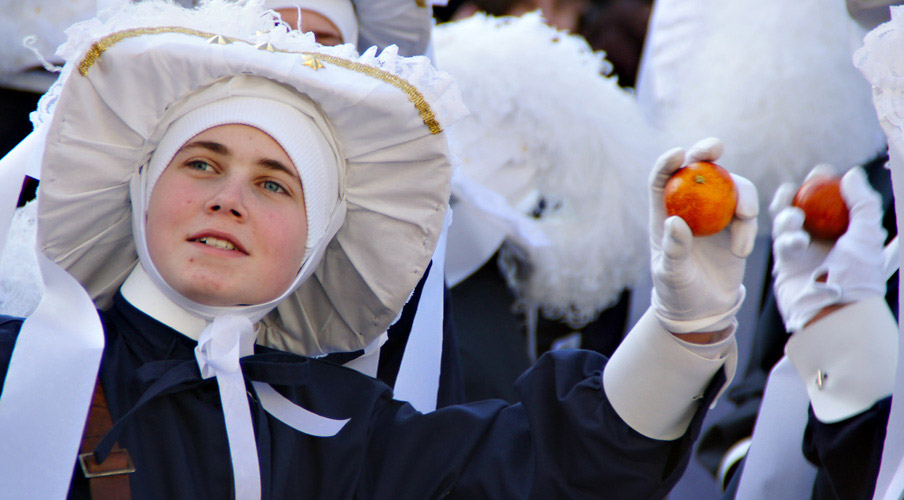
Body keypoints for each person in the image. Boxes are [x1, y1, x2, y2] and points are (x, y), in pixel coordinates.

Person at [0, 1, 762, 499]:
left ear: (316, 237)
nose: (227, 197)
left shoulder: (340, 430)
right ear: (140, 189)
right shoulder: (17, 376)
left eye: (276, 185)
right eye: (200, 162)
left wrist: (682, 333)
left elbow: (546, 466)